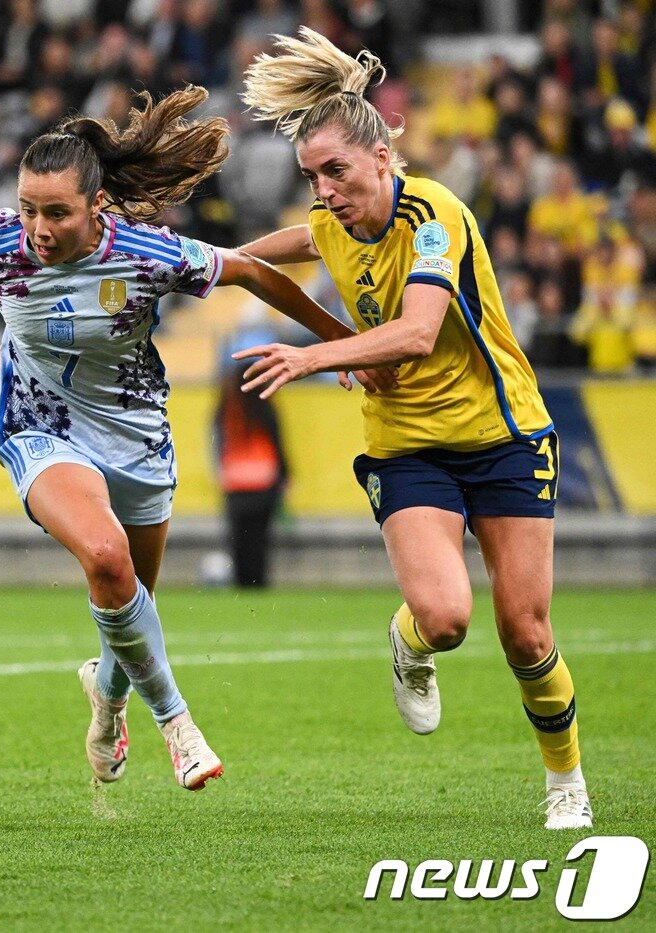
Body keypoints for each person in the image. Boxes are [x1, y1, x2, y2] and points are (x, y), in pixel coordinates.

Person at [0, 86, 383, 792]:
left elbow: (253, 271)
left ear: (96, 207)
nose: (37, 227)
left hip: (136, 436)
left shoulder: (146, 253)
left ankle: (108, 700)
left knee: (125, 597)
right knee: (105, 555)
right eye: (30, 207)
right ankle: (179, 725)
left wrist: (348, 344)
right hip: (41, 427)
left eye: (57, 212)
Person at [235, 28, 591, 829]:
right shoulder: (329, 227)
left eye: (337, 171)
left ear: (383, 161)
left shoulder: (436, 217)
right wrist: (169, 264)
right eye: (312, 176)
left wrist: (313, 356)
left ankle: (566, 782)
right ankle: (410, 644)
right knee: (446, 619)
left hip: (505, 435)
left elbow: (419, 330)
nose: (323, 191)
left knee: (526, 631)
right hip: (408, 445)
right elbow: (246, 263)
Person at [211, 360, 287, 588]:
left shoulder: (225, 409)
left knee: (238, 540)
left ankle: (240, 584)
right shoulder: (265, 406)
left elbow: (217, 445)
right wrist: (285, 476)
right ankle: (258, 582)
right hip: (264, 481)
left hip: (235, 482)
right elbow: (277, 443)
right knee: (260, 540)